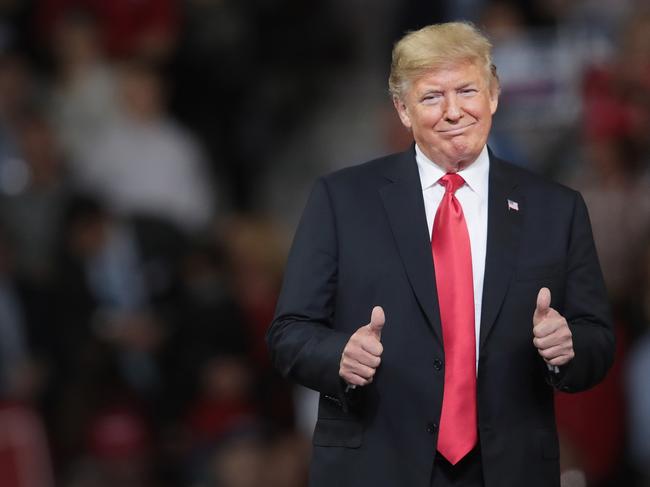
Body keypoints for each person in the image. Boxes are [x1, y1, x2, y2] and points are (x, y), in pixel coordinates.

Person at [266, 22, 614, 487]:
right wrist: (339, 356)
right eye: (431, 97)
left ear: (493, 95)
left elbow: (597, 340)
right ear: (402, 110)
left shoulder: (557, 208)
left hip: (507, 470)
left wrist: (565, 348)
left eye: (467, 90)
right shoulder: (341, 199)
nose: (454, 112)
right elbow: (289, 333)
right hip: (376, 464)